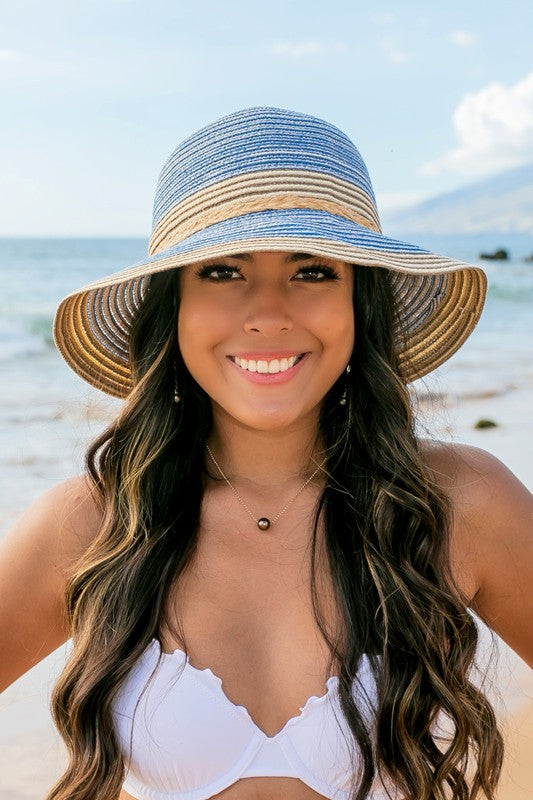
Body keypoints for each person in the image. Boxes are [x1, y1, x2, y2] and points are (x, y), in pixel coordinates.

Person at [0, 106, 531, 800]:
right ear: (174, 307)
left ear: (358, 302)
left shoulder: (458, 503)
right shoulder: (95, 524)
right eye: (222, 272)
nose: (269, 312)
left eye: (312, 271)